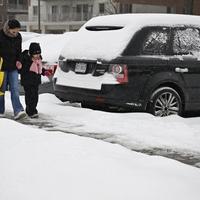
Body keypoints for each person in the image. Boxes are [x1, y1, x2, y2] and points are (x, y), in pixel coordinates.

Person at [0, 19, 26, 120]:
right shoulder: (1, 35)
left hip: (13, 67)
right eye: (14, 31)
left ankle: (18, 111)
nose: (16, 33)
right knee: (1, 90)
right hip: (1, 67)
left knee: (15, 89)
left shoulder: (18, 37)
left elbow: (19, 50)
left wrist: (19, 60)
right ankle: (0, 110)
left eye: (17, 31)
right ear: (8, 29)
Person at [19, 42, 52, 118]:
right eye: (35, 54)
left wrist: (44, 72)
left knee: (35, 96)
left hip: (35, 81)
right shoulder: (26, 60)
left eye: (39, 53)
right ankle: (30, 111)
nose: (37, 55)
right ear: (31, 53)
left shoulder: (38, 60)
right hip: (27, 82)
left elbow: (40, 68)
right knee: (29, 96)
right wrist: (21, 67)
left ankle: (33, 109)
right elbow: (21, 70)